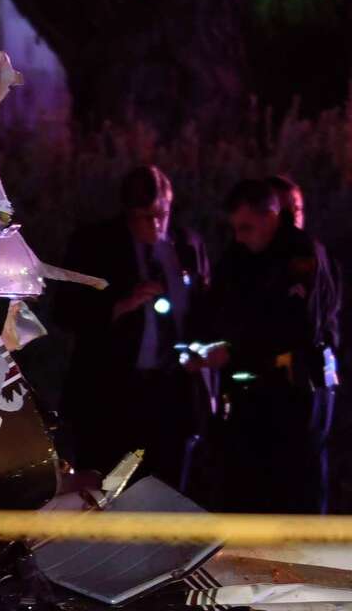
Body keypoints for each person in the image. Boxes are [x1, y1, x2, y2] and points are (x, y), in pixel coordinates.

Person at [56, 165, 212, 490]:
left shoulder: (186, 245)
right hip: (113, 393)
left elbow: (204, 309)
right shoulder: (95, 244)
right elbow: (65, 310)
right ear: (128, 214)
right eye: (143, 217)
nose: (155, 225)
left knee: (167, 488)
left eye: (161, 214)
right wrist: (120, 305)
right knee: (109, 488)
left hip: (172, 391)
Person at [209, 179, 338, 513]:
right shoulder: (242, 253)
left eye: (246, 227)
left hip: (297, 387)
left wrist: (236, 351)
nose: (240, 235)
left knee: (297, 486)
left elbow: (298, 325)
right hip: (253, 389)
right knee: (252, 485)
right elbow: (223, 305)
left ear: (271, 216)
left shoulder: (300, 253)